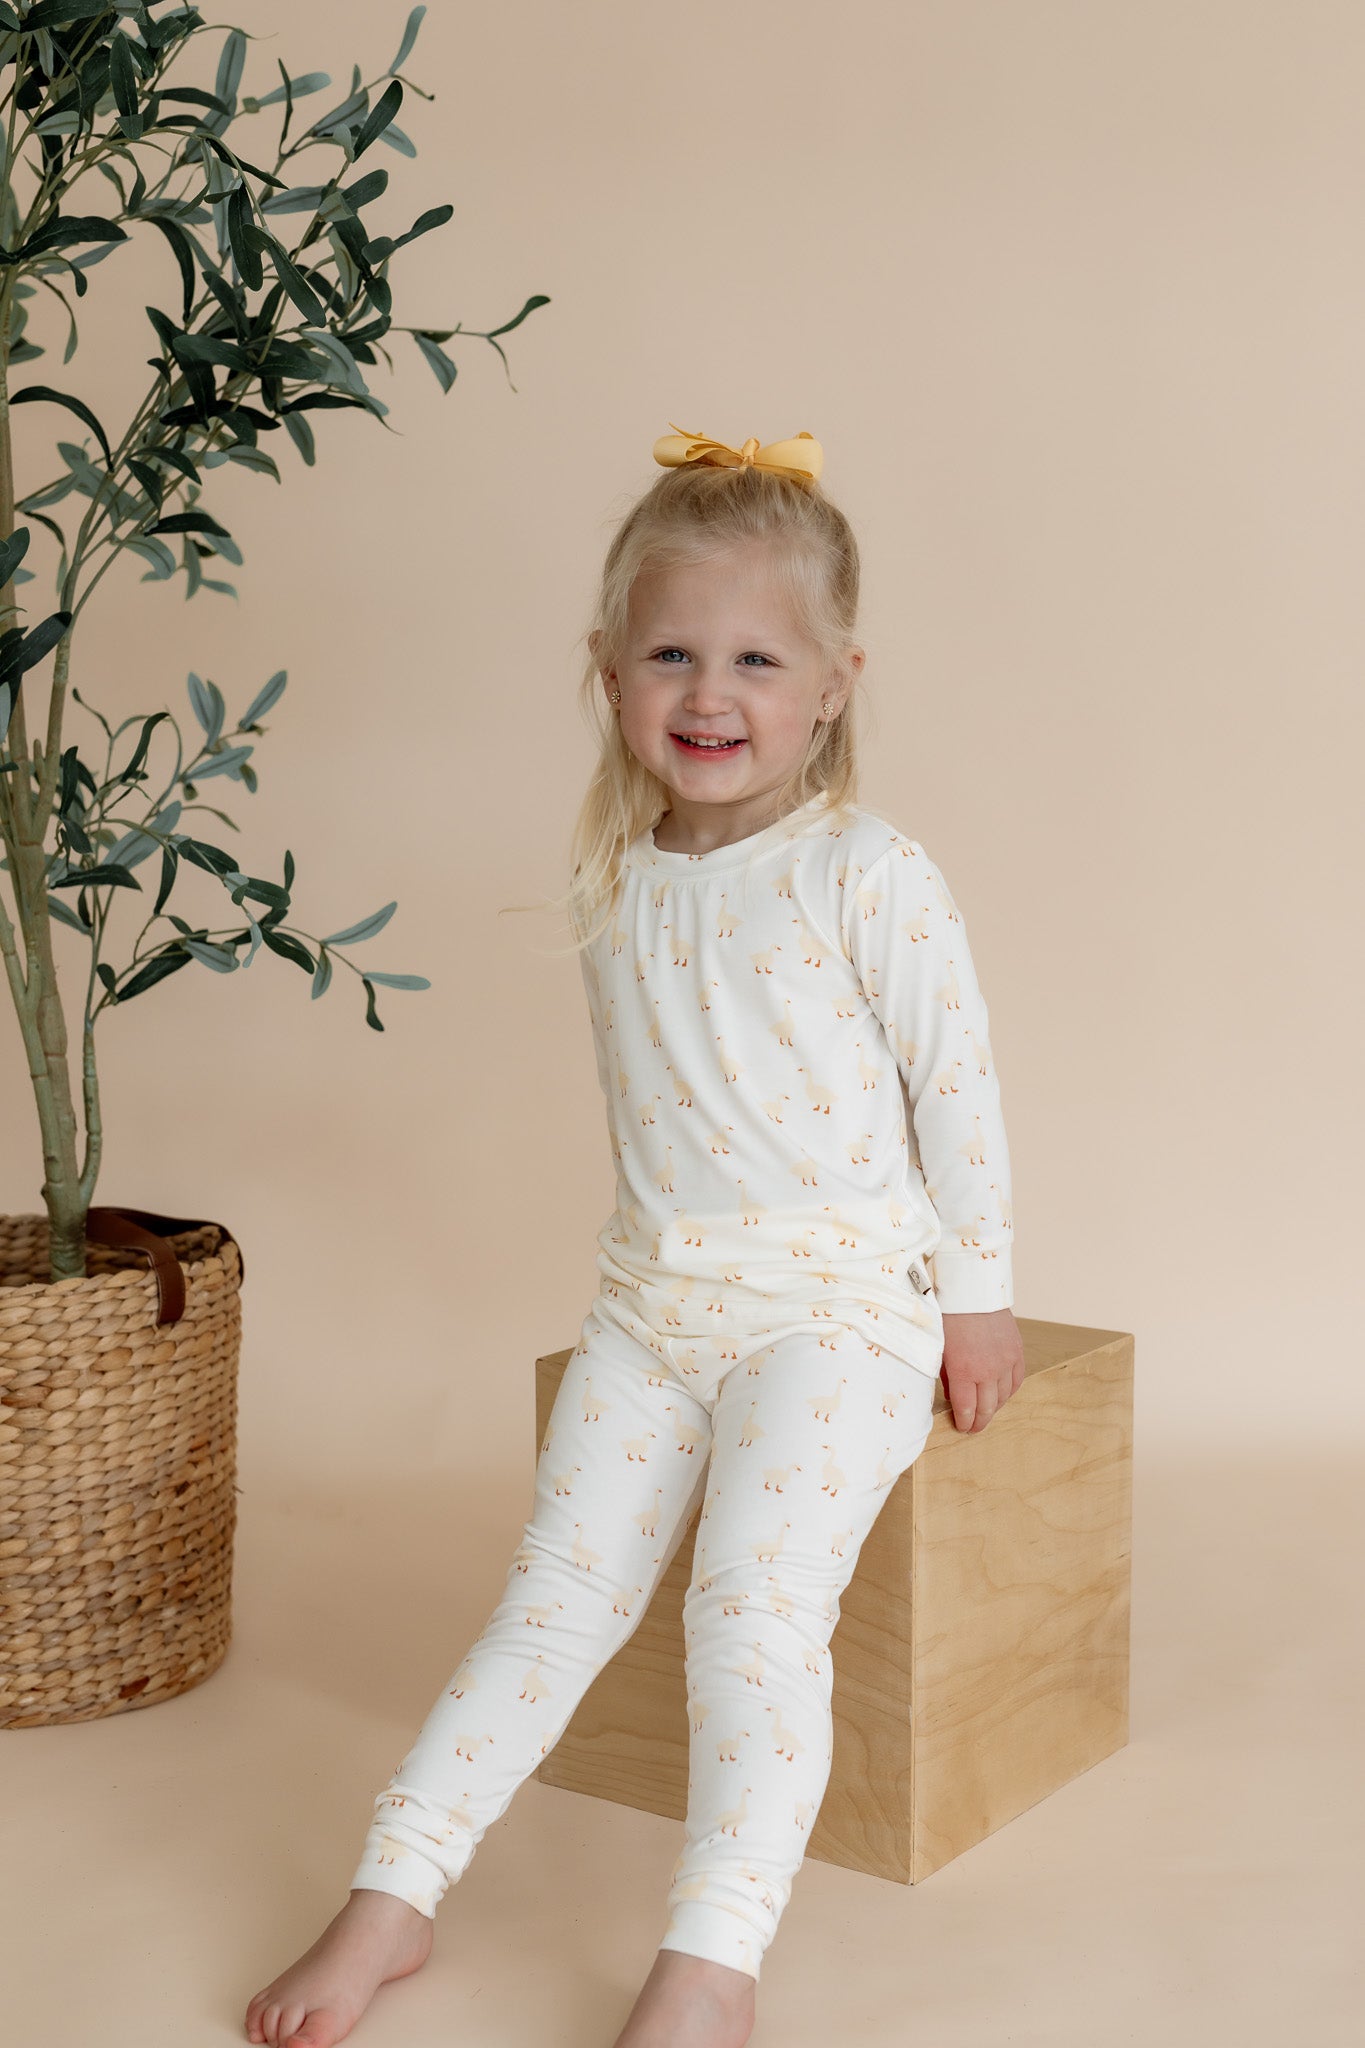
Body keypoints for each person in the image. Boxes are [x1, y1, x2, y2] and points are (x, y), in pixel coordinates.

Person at [244, 422, 1025, 2048]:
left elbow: (954, 1089)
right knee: (549, 1600)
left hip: (835, 1314)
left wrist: (978, 1298)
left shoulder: (866, 871)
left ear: (834, 685)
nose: (707, 691)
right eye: (670, 653)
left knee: (748, 1611)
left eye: (754, 658)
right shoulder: (615, 874)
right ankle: (394, 1892)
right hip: (650, 1313)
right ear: (607, 675)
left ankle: (712, 1959)